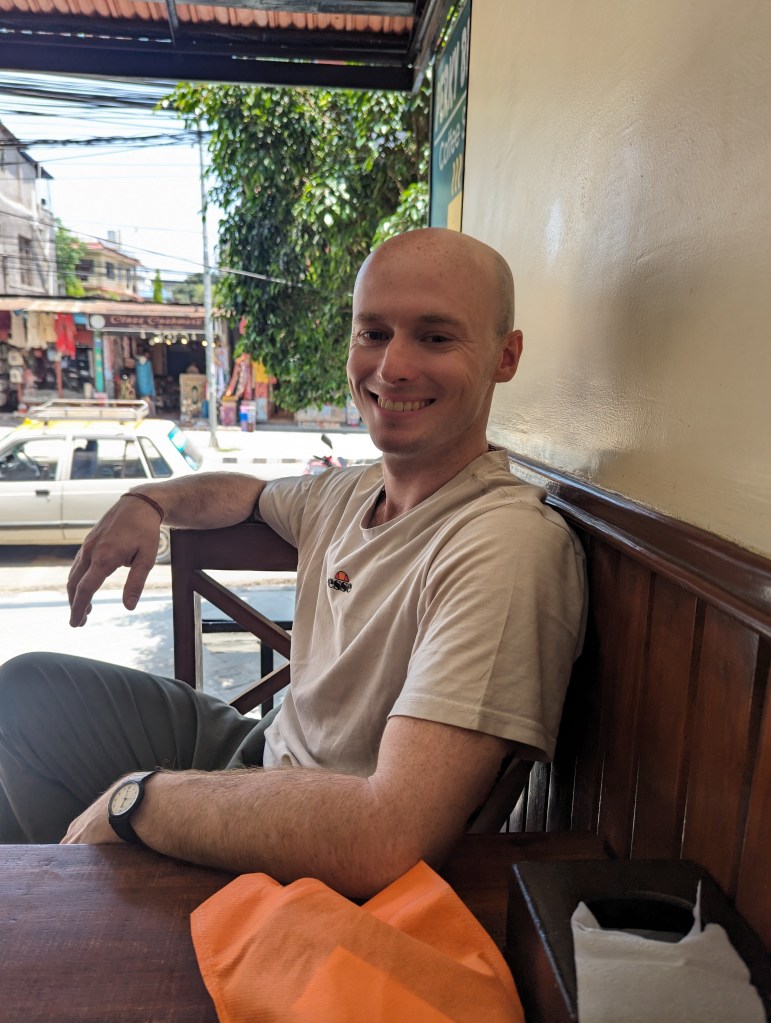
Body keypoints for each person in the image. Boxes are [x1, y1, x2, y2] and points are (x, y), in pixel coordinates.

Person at [0, 229, 586, 899]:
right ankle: (50, 899)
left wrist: (133, 802)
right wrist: (148, 500)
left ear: (505, 357)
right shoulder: (350, 490)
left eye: (435, 337)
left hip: (320, 837)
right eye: (373, 333)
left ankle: (67, 914)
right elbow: (246, 495)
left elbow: (389, 836)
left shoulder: (506, 544)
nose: (391, 366)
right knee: (26, 692)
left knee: (74, 827)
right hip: (263, 749)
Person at [134, 349, 156, 415]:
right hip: (147, 389)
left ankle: (146, 413)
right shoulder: (148, 364)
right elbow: (150, 377)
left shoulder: (138, 365)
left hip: (141, 388)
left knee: (143, 402)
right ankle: (151, 413)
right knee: (147, 402)